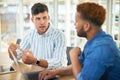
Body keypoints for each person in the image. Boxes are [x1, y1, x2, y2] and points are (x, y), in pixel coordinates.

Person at [38, 2, 120, 80]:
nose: (74, 25)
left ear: (86, 26)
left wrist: (73, 56)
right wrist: (55, 72)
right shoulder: (94, 41)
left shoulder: (101, 49)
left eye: (76, 21)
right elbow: (78, 65)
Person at [8, 3, 67, 69]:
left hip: (56, 75)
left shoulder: (59, 36)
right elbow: (17, 56)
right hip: (37, 73)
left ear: (48, 18)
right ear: (32, 20)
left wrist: (36, 61)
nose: (42, 22)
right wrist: (11, 52)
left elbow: (59, 63)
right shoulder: (30, 34)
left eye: (44, 18)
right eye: (38, 19)